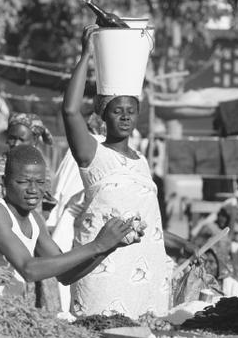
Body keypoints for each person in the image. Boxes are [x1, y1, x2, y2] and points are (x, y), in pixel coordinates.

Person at [61, 25, 177, 318]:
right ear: (103, 115)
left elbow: (147, 221)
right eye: (117, 110)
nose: (125, 116)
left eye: (131, 110)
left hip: (145, 277)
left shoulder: (141, 161)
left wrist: (183, 245)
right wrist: (86, 54)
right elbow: (70, 112)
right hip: (103, 276)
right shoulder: (93, 153)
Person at [0, 145, 143, 304]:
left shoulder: (35, 221)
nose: (33, 190)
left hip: (2, 318)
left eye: (40, 182)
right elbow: (28, 269)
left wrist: (109, 247)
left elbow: (65, 275)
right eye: (24, 181)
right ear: (6, 182)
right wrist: (97, 245)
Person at [0, 113, 57, 215]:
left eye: (21, 139)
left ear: (34, 140)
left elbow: (46, 206)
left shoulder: (40, 168)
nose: (16, 143)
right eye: (12, 138)